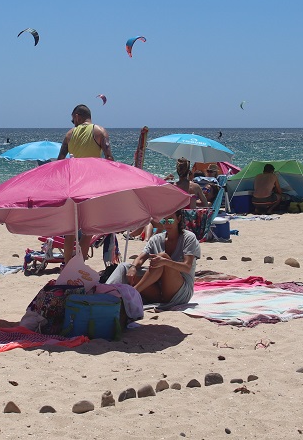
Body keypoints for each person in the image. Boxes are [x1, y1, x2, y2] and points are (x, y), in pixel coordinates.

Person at [104, 213, 199, 308]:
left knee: (162, 258)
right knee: (124, 267)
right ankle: (104, 294)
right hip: (158, 291)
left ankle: (134, 292)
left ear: (178, 219)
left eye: (170, 220)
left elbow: (187, 267)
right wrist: (133, 267)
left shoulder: (188, 237)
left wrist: (165, 262)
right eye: (163, 220)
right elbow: (141, 258)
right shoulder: (156, 239)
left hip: (180, 292)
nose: (166, 223)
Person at [58, 103, 114, 261]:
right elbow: (109, 158)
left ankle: (68, 263)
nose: (72, 123)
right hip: (92, 186)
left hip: (72, 186)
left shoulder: (69, 135)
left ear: (77, 117)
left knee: (70, 228)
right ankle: (79, 263)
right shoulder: (100, 132)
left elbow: (60, 161)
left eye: (72, 120)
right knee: (88, 228)